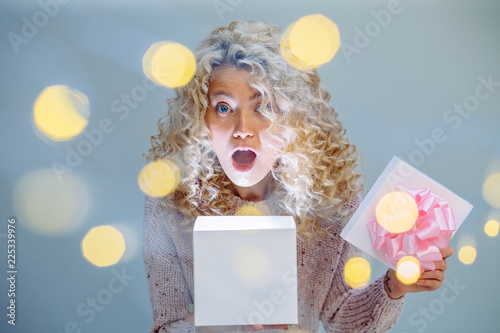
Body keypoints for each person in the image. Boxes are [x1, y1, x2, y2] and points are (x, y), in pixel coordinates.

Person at [142, 21, 453, 333]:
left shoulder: (332, 199)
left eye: (263, 106)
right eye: (223, 107)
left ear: (292, 118)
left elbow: (343, 318)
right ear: (201, 119)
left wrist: (394, 285)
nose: (243, 129)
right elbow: (168, 324)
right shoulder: (171, 202)